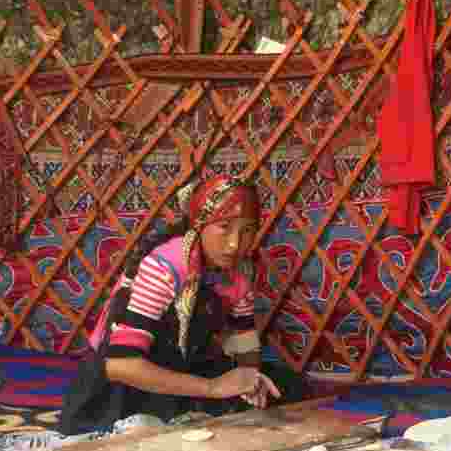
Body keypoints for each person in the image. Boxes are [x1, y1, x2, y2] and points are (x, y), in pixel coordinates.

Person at [58, 174, 308, 436]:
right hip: (126, 383)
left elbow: (243, 342)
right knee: (150, 430)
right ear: (200, 225)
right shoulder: (166, 265)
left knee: (288, 386)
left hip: (185, 366)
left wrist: (250, 379)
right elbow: (120, 366)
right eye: (224, 227)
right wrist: (213, 388)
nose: (235, 244)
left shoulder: (240, 272)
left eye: (247, 231)